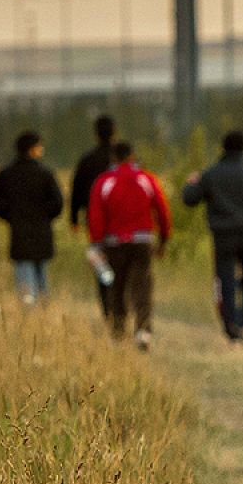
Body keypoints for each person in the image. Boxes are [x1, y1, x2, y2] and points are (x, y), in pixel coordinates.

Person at [182, 130, 243, 344]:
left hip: (222, 236)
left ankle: (231, 327)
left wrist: (192, 183)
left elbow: (189, 199)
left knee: (225, 280)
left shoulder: (211, 174)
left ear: (223, 148)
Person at [87, 141, 173, 350]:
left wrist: (97, 243)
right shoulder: (146, 179)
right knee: (142, 285)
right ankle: (143, 331)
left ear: (113, 158)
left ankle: (118, 332)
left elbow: (96, 215)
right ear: (133, 156)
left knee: (116, 286)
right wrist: (163, 239)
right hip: (142, 241)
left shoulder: (104, 181)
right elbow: (162, 210)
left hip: (113, 242)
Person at [0, 131, 64, 306]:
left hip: (19, 231)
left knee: (24, 275)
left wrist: (10, 216)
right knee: (41, 275)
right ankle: (44, 311)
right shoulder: (45, 173)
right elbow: (58, 203)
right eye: (39, 146)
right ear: (31, 149)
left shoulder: (7, 174)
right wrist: (45, 216)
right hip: (42, 232)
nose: (41, 149)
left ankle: (28, 310)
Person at [69, 114, 118, 316]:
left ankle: (108, 308)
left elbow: (76, 191)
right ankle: (121, 306)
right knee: (122, 265)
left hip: (96, 222)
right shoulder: (123, 158)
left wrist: (74, 218)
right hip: (123, 223)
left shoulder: (87, 160)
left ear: (96, 134)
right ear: (115, 133)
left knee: (103, 267)